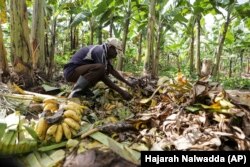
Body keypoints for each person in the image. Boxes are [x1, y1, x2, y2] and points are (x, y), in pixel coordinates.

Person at [63, 38, 134, 101]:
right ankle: (76, 92)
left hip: (78, 72)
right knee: (100, 69)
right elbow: (103, 76)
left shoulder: (104, 54)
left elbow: (112, 71)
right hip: (71, 71)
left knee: (102, 70)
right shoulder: (99, 51)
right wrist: (122, 92)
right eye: (116, 52)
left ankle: (83, 90)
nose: (115, 55)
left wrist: (128, 83)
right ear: (111, 47)